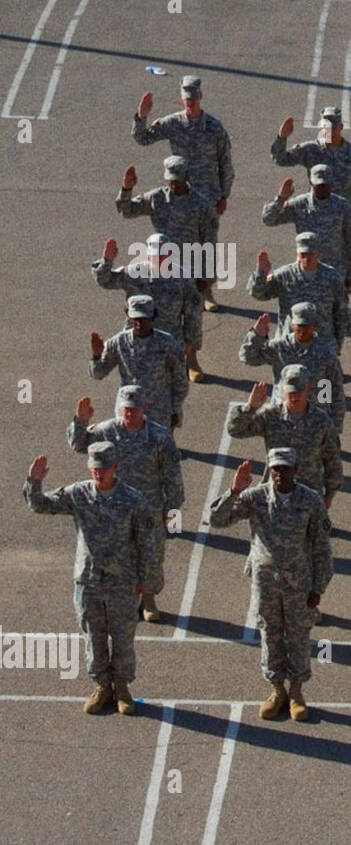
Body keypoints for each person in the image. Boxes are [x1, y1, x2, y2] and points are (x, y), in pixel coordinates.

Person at [24, 444, 155, 714]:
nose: (99, 474)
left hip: (122, 582)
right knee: (93, 636)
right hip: (88, 582)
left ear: (115, 468)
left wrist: (145, 579)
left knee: (122, 638)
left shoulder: (133, 500)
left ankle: (122, 688)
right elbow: (41, 506)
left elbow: (146, 541)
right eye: (95, 469)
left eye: (104, 469)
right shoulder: (79, 494)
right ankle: (101, 686)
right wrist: (34, 482)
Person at [210, 449, 333, 722]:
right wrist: (233, 491)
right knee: (270, 634)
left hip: (298, 583)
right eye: (275, 468)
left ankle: (297, 693)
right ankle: (277, 690)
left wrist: (317, 589)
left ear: (295, 470)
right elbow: (217, 521)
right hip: (265, 583)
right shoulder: (255, 497)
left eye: (285, 469)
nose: (279, 474)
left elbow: (322, 548)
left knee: (299, 636)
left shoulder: (310, 501)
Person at [68, 385, 183, 623]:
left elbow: (172, 475)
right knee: (117, 554)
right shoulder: (106, 431)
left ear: (143, 408)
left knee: (151, 554)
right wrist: (80, 421)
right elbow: (80, 445)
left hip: (148, 508)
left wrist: (171, 509)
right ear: (119, 408)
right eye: (126, 409)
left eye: (134, 409)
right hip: (113, 507)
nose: (129, 414)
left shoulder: (159, 436)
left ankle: (149, 598)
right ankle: (120, 600)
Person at [131, 76, 233, 309]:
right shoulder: (173, 124)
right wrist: (141, 116)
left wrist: (224, 194)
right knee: (175, 243)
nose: (190, 103)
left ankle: (206, 292)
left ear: (200, 97)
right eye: (187, 99)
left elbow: (225, 162)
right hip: (179, 193)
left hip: (207, 196)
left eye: (194, 98)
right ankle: (177, 291)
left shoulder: (214, 128)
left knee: (206, 244)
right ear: (181, 99)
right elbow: (143, 138)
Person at [92, 231, 205, 382]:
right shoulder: (134, 273)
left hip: (169, 339)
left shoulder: (183, 278)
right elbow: (106, 281)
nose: (158, 260)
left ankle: (191, 362)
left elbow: (193, 313)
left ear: (170, 254)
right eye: (155, 256)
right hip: (136, 337)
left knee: (167, 383)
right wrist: (106, 261)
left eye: (162, 255)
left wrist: (191, 342)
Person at [227, 365, 342, 507]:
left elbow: (333, 460)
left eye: (300, 391)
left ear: (309, 390)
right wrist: (250, 408)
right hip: (275, 493)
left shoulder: (321, 421)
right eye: (291, 391)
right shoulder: (270, 415)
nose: (295, 396)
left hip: (308, 496)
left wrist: (329, 495)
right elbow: (235, 430)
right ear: (283, 390)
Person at [239, 303, 346, 434]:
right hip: (282, 417)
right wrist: (256, 336)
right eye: (299, 325)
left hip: (313, 420)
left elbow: (335, 390)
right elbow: (248, 358)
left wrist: (334, 426)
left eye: (306, 326)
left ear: (315, 326)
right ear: (292, 325)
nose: (302, 330)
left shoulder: (326, 354)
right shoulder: (280, 347)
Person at [89, 295, 186, 431]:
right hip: (129, 410)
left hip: (158, 411)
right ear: (129, 316)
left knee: (160, 449)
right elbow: (98, 374)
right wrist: (96, 356)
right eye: (136, 319)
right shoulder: (119, 342)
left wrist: (175, 409)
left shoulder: (166, 343)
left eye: (144, 319)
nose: (139, 324)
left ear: (153, 317)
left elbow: (180, 378)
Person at [271, 105, 351, 229]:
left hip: (342, 223)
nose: (328, 131)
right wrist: (282, 137)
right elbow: (281, 159)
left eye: (333, 128)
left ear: (341, 127)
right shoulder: (311, 150)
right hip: (315, 220)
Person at [261, 168, 351, 290]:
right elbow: (269, 220)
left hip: (334, 273)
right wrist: (281, 199)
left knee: (333, 308)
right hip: (305, 270)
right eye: (318, 185)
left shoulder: (343, 207)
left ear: (331, 184)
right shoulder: (299, 205)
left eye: (325, 185)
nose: (322, 188)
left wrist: (350, 277)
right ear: (311, 183)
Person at [247, 233, 350, 351]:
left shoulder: (332, 277)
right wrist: (261, 274)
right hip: (289, 346)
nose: (307, 258)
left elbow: (341, 312)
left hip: (322, 346)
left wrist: (338, 340)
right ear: (297, 254)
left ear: (319, 253)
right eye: (303, 254)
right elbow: (259, 294)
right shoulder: (284, 275)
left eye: (311, 253)